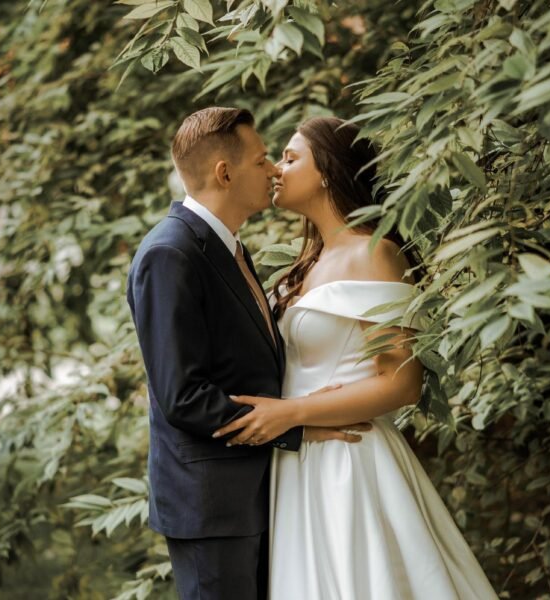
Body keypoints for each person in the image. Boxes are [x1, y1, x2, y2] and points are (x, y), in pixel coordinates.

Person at [213, 117, 498, 599]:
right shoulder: (309, 263)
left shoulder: (376, 253)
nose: (277, 170)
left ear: (326, 170)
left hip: (351, 461)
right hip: (301, 463)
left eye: (290, 157)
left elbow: (401, 383)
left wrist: (290, 413)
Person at [126, 107, 371, 600]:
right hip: (211, 506)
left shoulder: (228, 248)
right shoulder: (170, 253)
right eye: (262, 160)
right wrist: (295, 425)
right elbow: (184, 396)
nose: (274, 170)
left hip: (257, 497)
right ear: (224, 172)